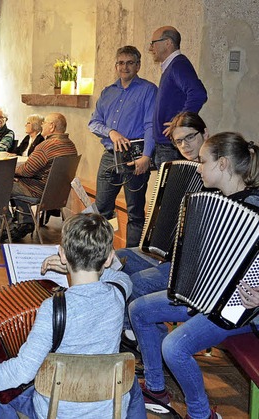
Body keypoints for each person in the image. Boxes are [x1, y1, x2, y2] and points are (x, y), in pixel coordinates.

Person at [130, 132, 259, 419]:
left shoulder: (255, 206)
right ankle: (156, 388)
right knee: (139, 308)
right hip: (203, 297)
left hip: (240, 309)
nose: (198, 167)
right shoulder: (211, 202)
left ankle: (202, 414)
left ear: (223, 164)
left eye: (203, 161)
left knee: (174, 347)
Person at [0, 213, 136, 418]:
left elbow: (22, 371)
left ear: (62, 254)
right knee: (132, 384)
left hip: (59, 412)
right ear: (109, 257)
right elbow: (123, 278)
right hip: (109, 409)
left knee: (0, 391)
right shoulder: (117, 295)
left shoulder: (54, 308)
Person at [115, 112, 209, 339]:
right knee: (117, 260)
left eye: (190, 137)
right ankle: (134, 332)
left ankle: (141, 336)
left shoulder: (216, 173)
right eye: (178, 141)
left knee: (136, 282)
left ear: (205, 134)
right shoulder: (175, 169)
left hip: (191, 266)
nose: (184, 145)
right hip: (164, 254)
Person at [89, 46, 157, 247]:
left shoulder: (148, 90)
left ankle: (132, 258)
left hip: (134, 157)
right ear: (116, 65)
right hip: (110, 155)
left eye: (129, 62)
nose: (124, 67)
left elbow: (150, 125)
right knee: (102, 210)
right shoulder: (107, 92)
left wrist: (146, 156)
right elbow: (94, 122)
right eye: (121, 62)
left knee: (135, 211)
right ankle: (102, 256)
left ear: (138, 65)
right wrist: (111, 132)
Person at [0, 113, 77, 243]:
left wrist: (10, 171)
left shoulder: (46, 146)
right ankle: (25, 222)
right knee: (15, 182)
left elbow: (27, 170)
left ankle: (9, 227)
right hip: (57, 194)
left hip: (37, 190)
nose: (42, 125)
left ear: (52, 126)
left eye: (44, 123)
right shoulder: (71, 146)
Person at [148, 26, 208, 167]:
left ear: (168, 42)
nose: (151, 48)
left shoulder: (178, 65)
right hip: (166, 145)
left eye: (153, 43)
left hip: (171, 146)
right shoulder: (172, 66)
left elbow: (198, 93)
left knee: (172, 188)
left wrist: (179, 122)